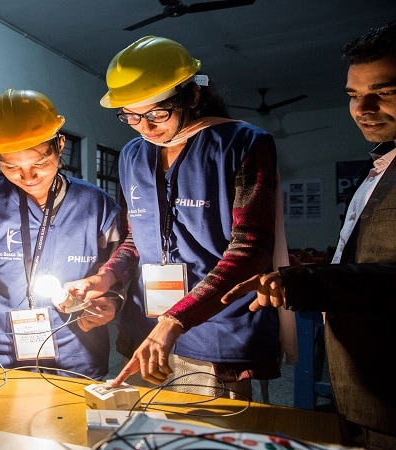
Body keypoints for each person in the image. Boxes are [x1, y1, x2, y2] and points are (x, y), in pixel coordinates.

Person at [71, 36, 284, 398]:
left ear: (192, 96)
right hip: (147, 324)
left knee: (208, 433)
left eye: (157, 113)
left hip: (217, 330)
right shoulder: (132, 156)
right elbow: (136, 237)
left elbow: (250, 250)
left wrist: (175, 319)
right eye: (132, 116)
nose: (145, 127)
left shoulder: (243, 144)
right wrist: (106, 277)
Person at [222, 21, 396, 449]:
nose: (363, 107)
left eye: (385, 92)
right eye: (354, 95)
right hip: (368, 382)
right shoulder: (380, 166)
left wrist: (304, 282)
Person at [0, 89, 125, 380]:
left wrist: (112, 300)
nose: (27, 177)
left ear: (61, 145)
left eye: (39, 163)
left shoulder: (96, 206)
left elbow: (119, 266)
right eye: (11, 167)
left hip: (76, 348)